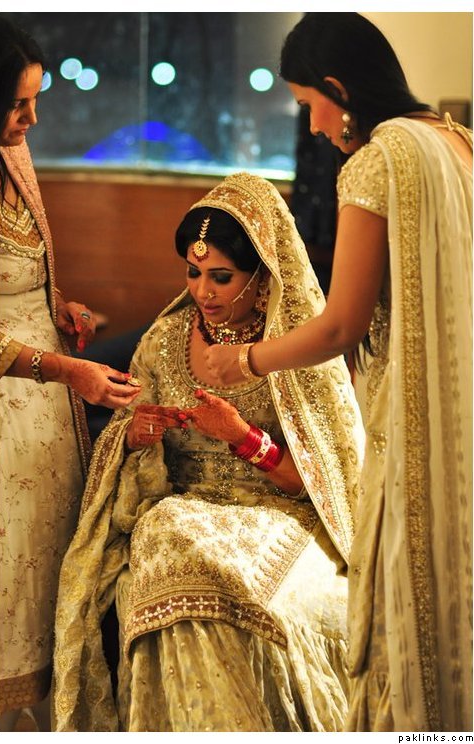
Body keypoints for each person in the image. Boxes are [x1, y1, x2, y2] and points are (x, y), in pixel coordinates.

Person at [204, 12, 472, 733]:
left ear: (337, 88)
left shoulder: (376, 163)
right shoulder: (457, 141)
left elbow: (340, 324)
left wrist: (244, 359)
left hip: (416, 419)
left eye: (308, 104)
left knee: (411, 597)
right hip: (464, 410)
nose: (315, 127)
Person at [52, 172, 365, 732]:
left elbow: (325, 482)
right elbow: (121, 440)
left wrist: (243, 437)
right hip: (180, 508)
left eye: (222, 277)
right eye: (192, 274)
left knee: (205, 573)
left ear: (262, 275)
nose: (202, 292)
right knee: (171, 537)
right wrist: (136, 435)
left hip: (277, 515)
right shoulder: (163, 340)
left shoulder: (296, 349)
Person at [0, 17, 140, 732]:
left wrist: (61, 306)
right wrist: (60, 367)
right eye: (17, 104)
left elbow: (20, 270)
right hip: (9, 395)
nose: (32, 118)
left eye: (35, 100)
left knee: (51, 550)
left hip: (50, 397)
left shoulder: (13, 153)